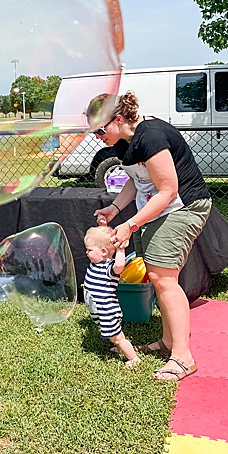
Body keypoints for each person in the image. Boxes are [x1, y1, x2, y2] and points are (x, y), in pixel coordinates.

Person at [89, 91, 211, 382]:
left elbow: (169, 189)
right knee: (158, 277)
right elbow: (135, 178)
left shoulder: (151, 136)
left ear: (117, 120)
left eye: (99, 129)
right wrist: (116, 208)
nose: (96, 136)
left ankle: (182, 357)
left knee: (165, 279)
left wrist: (129, 225)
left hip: (183, 207)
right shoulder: (125, 143)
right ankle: (169, 342)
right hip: (159, 211)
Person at [82, 225, 140, 369]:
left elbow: (119, 266)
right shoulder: (95, 264)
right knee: (114, 337)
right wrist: (102, 226)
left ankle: (133, 358)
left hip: (108, 312)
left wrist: (120, 249)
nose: (86, 252)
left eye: (89, 250)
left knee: (118, 338)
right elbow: (103, 238)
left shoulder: (109, 268)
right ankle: (121, 348)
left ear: (103, 252)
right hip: (100, 312)